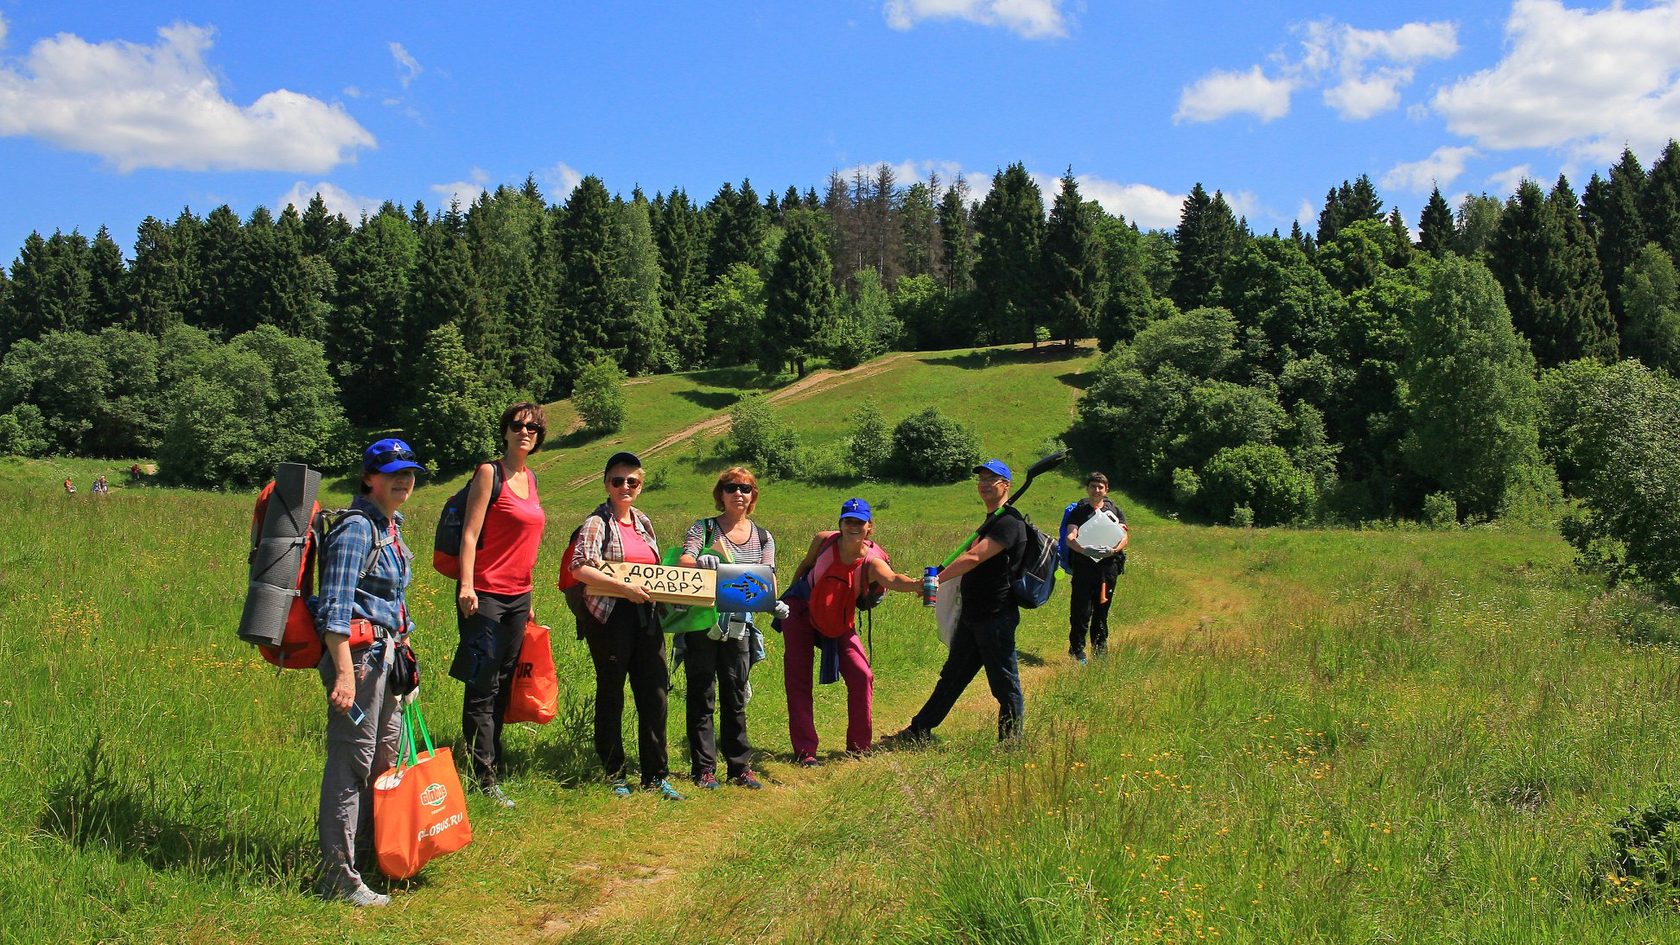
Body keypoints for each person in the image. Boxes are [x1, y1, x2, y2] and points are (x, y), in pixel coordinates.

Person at [313, 437, 424, 908]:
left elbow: (392, 605)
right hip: (357, 663)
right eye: (392, 471)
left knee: (384, 761)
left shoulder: (390, 526)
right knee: (350, 764)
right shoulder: (357, 529)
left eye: (409, 472)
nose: (403, 479)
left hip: (388, 660)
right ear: (368, 477)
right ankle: (337, 876)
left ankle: (372, 856)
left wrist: (407, 670)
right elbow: (335, 610)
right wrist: (343, 675)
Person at [568, 451, 683, 801]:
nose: (625, 487)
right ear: (606, 484)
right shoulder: (596, 523)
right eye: (618, 481)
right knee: (612, 692)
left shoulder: (644, 521)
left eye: (632, 481)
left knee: (654, 692)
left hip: (646, 616)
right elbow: (579, 568)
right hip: (610, 617)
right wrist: (624, 588)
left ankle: (655, 774)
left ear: (640, 485)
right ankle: (613, 771)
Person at [890, 459, 1030, 745]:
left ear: (1006, 485)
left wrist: (936, 580)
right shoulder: (991, 521)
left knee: (1004, 683)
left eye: (992, 478)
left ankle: (1011, 743)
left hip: (996, 615)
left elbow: (974, 557)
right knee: (952, 677)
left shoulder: (1010, 522)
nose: (985, 483)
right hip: (973, 615)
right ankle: (919, 731)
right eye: (981, 479)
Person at [453, 403, 548, 809]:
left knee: (505, 682)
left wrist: (528, 598)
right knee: (482, 684)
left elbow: (525, 544)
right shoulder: (490, 473)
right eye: (517, 426)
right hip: (485, 594)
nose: (525, 432)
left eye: (532, 427)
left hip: (518, 596)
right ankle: (483, 776)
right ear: (506, 432)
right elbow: (470, 534)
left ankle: (493, 762)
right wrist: (466, 585)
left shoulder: (531, 477)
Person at [782, 498, 921, 766]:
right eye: (848, 520)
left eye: (859, 522)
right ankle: (805, 751)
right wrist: (790, 595)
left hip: (838, 618)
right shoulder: (824, 540)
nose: (853, 526)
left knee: (861, 674)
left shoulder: (872, 561)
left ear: (870, 527)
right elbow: (805, 565)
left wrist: (917, 585)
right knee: (798, 678)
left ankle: (858, 747)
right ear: (841, 523)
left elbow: (892, 580)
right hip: (801, 610)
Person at [676, 467, 787, 790]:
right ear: (720, 494)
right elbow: (684, 560)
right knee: (702, 694)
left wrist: (773, 602)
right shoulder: (704, 529)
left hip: (739, 626)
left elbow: (768, 576)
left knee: (735, 695)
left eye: (746, 488)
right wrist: (701, 561)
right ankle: (704, 768)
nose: (738, 493)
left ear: (753, 496)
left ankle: (739, 767)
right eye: (731, 487)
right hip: (703, 623)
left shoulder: (764, 537)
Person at [1064, 471, 1128, 664]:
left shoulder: (1114, 511)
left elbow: (1124, 536)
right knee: (1081, 611)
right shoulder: (1078, 511)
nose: (1096, 490)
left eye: (1100, 487)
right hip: (1084, 568)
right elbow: (1070, 537)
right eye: (1093, 486)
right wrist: (1084, 550)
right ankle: (1077, 651)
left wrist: (1113, 550)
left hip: (1108, 570)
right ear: (1088, 488)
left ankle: (1100, 650)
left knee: (1102, 610)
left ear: (1106, 489)